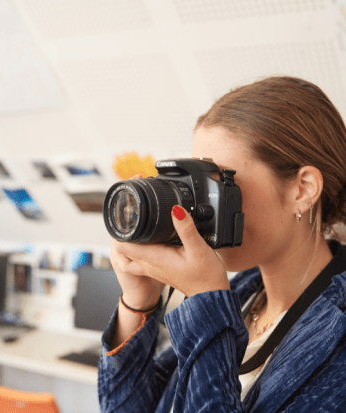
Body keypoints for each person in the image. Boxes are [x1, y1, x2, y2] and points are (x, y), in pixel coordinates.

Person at [98, 76, 346, 412]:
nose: (201, 207)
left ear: (302, 190)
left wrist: (205, 300)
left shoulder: (337, 331)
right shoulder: (244, 294)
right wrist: (138, 302)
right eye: (195, 182)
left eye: (221, 183)